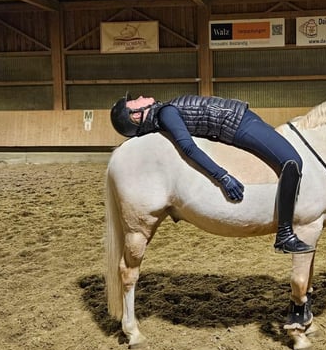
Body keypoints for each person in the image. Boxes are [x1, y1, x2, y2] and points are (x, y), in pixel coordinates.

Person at [110, 93, 314, 254]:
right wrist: (222, 176)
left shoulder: (164, 114)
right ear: (136, 116)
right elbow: (188, 147)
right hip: (239, 124)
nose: (138, 98)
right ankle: (285, 235)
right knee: (292, 161)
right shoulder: (166, 114)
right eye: (133, 103)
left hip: (240, 119)